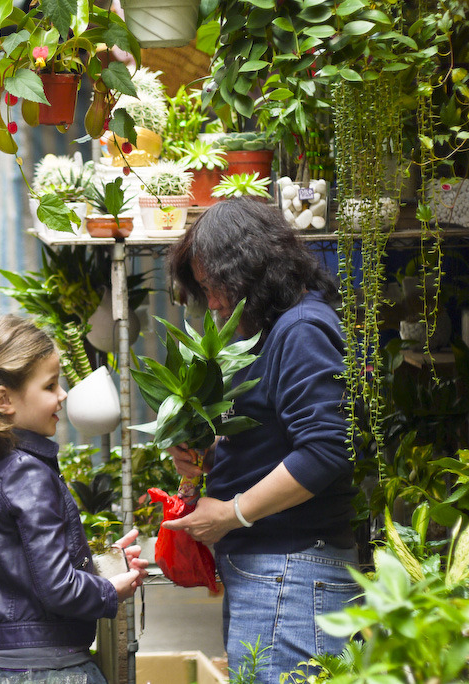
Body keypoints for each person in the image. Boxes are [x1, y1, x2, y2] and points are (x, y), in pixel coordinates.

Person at [162, 199, 359, 683]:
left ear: (250, 269)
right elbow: (279, 433)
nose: (211, 303)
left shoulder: (300, 328)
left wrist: (232, 513)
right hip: (277, 575)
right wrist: (206, 451)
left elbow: (325, 449)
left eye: (213, 287)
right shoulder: (273, 330)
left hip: (290, 574)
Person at [0, 314, 147, 683]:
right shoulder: (28, 472)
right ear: (3, 399)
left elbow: (26, 572)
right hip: (51, 670)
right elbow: (58, 588)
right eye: (50, 386)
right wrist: (109, 590)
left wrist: (100, 564)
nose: (62, 395)